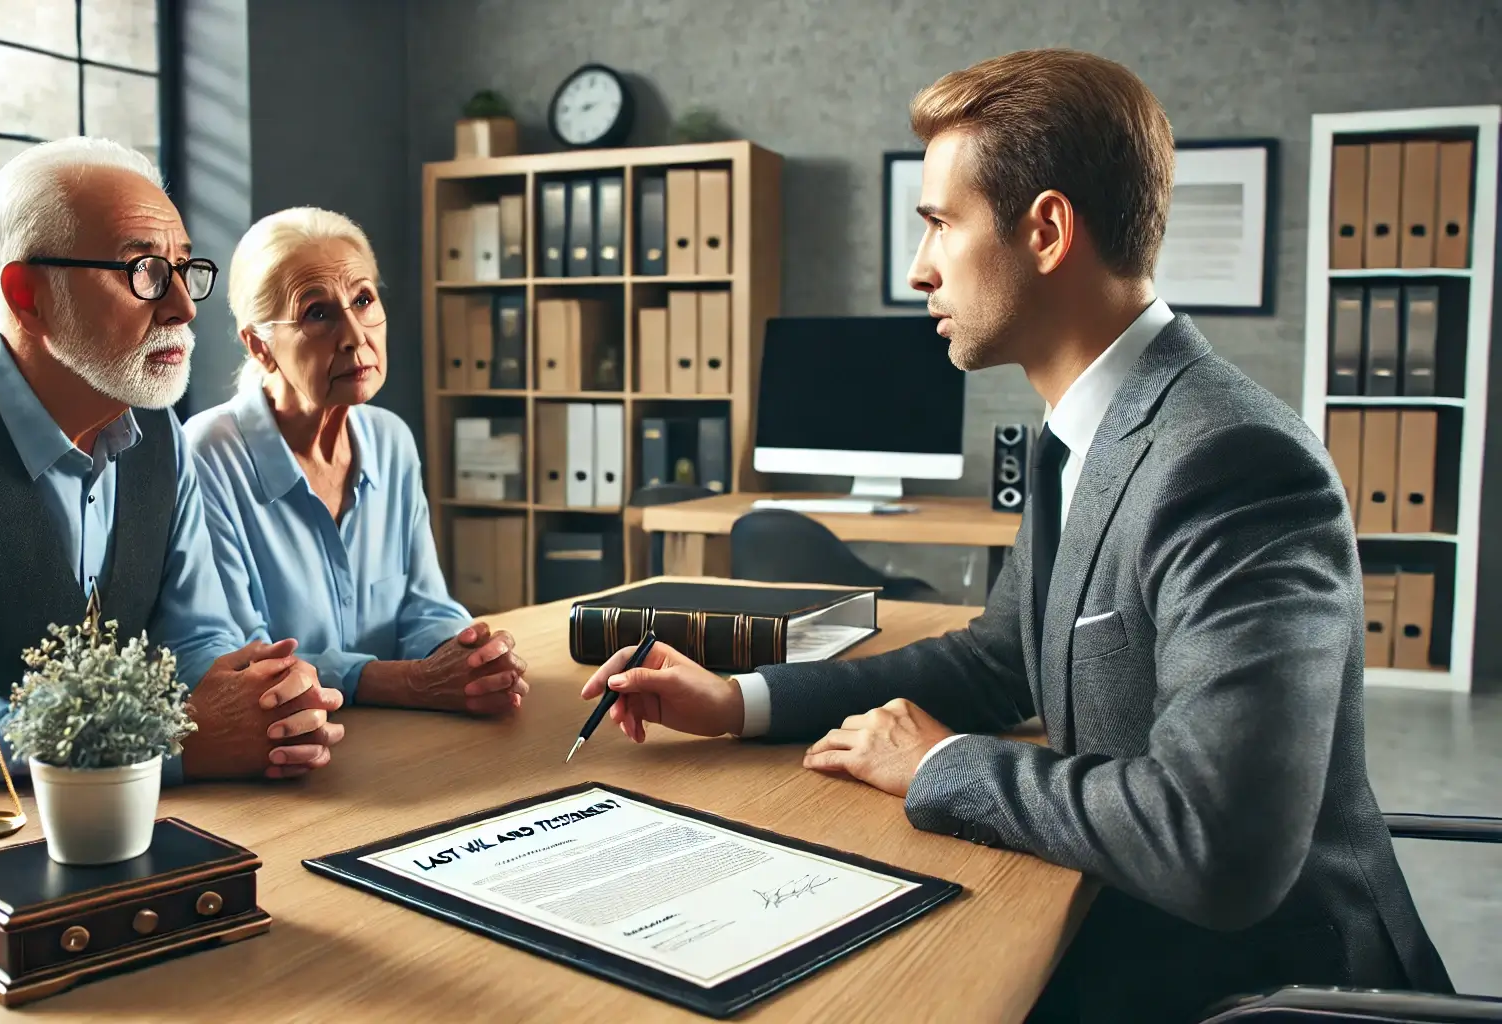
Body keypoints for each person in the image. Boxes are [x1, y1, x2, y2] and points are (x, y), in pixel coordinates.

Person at [579, 49, 1453, 1022]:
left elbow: (1216, 849)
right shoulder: (1078, 434)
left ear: (1044, 230)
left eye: (940, 225)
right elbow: (999, 661)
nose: (917, 271)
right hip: (1123, 917)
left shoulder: (1232, 462)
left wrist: (944, 764)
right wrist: (735, 698)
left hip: (1262, 985)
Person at [0, 137, 344, 793]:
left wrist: (266, 703)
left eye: (185, 269)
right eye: (142, 272)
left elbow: (198, 642)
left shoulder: (159, 433)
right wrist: (175, 739)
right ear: (26, 294)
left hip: (108, 823)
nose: (183, 308)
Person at [185, 207, 527, 716]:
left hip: (405, 736)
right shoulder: (209, 454)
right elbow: (243, 663)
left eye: (363, 300)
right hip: (293, 746)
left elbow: (425, 606)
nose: (354, 336)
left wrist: (469, 658)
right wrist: (408, 682)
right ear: (260, 346)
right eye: (317, 313)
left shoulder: (390, 440)